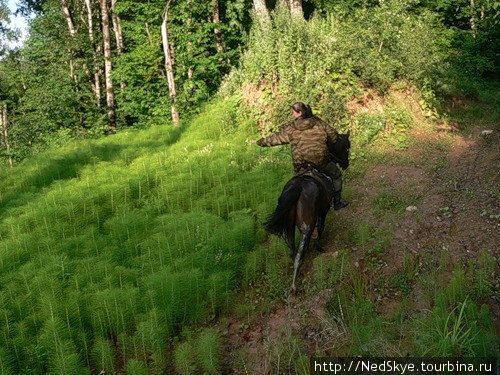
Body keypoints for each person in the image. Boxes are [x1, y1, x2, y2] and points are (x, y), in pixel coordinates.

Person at [252, 102, 348, 210]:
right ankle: (337, 202)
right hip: (321, 162)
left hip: (300, 165)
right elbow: (334, 137)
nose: (293, 115)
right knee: (336, 175)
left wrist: (259, 142)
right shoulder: (319, 123)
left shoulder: (291, 128)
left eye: (294, 113)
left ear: (300, 113)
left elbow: (275, 139)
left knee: (294, 186)